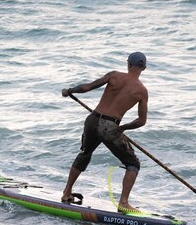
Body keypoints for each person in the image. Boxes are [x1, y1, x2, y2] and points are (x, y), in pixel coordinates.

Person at [61, 52, 149, 213]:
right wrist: (122, 128)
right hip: (110, 126)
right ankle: (123, 202)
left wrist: (69, 90)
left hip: (92, 119)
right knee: (133, 164)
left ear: (128, 65)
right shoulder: (142, 91)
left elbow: (86, 87)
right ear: (144, 68)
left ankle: (67, 192)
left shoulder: (114, 75)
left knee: (85, 154)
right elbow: (141, 121)